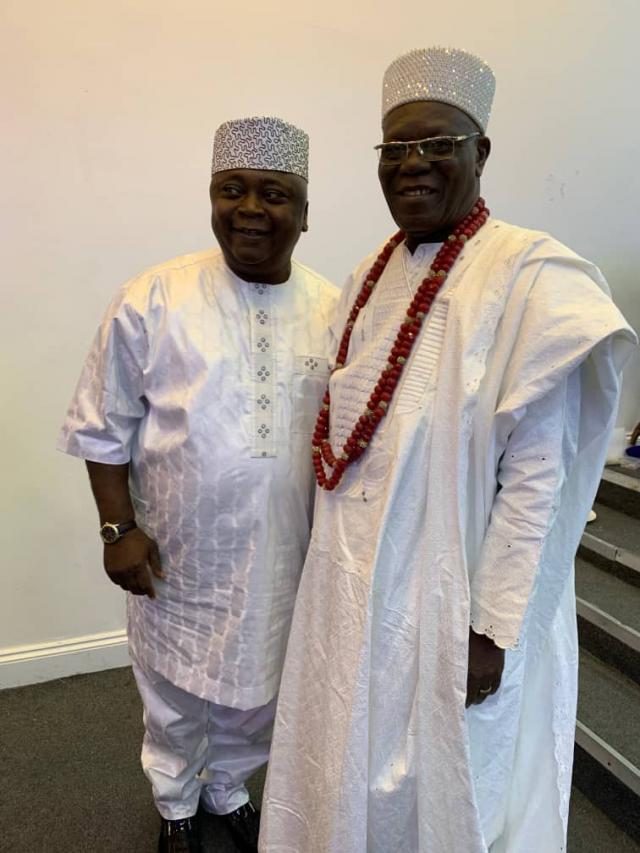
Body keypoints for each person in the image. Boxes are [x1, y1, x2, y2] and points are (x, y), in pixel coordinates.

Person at [259, 49, 636, 853]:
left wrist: (494, 629)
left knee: (452, 782)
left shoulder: (534, 278)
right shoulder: (368, 272)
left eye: (437, 144)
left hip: (451, 595)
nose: (413, 166)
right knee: (346, 767)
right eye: (395, 151)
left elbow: (542, 476)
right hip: (352, 589)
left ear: (480, 153)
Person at [58, 116, 338, 853]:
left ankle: (229, 786)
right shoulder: (152, 297)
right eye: (231, 189)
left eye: (273, 193)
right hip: (177, 553)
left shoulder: (335, 309)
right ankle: (177, 800)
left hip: (285, 555)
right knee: (174, 691)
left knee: (260, 690)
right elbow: (100, 423)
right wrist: (117, 529)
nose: (250, 207)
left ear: (305, 213)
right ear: (210, 199)